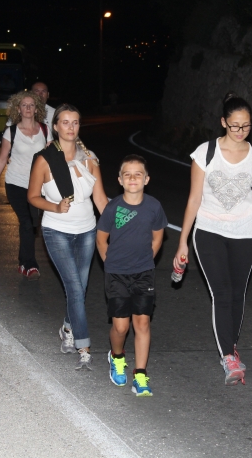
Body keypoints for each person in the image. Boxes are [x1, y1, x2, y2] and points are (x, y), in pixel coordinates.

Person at [173, 92, 252, 386]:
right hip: (209, 230)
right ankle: (228, 356)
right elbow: (193, 199)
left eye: (246, 126)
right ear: (224, 122)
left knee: (238, 293)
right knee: (222, 293)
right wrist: (182, 241)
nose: (241, 131)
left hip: (245, 232)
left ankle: (231, 344)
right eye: (235, 125)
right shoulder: (206, 153)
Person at [28, 104, 108, 369]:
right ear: (55, 126)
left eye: (75, 122)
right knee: (74, 288)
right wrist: (54, 206)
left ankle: (67, 327)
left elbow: (100, 200)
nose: (71, 127)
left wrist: (121, 226)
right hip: (56, 230)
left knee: (80, 288)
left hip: (87, 231)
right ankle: (84, 347)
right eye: (65, 122)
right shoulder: (45, 159)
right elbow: (32, 196)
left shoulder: (90, 158)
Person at [96, 154, 167, 397]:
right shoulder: (113, 208)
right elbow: (101, 239)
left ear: (146, 179)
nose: (133, 178)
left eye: (138, 174)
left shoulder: (154, 207)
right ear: (120, 180)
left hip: (143, 273)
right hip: (116, 274)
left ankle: (140, 375)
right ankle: (117, 357)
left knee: (142, 323)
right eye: (127, 174)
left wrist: (147, 259)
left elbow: (158, 237)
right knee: (120, 326)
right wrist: (110, 264)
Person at [0, 91, 51, 279]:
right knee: (26, 222)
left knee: (32, 224)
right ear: (18, 109)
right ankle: (30, 264)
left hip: (37, 186)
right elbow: (2, 159)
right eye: (24, 105)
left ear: (37, 109)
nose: (28, 108)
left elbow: (51, 158)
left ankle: (23, 262)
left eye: (31, 105)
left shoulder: (44, 130)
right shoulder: (11, 132)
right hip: (15, 183)